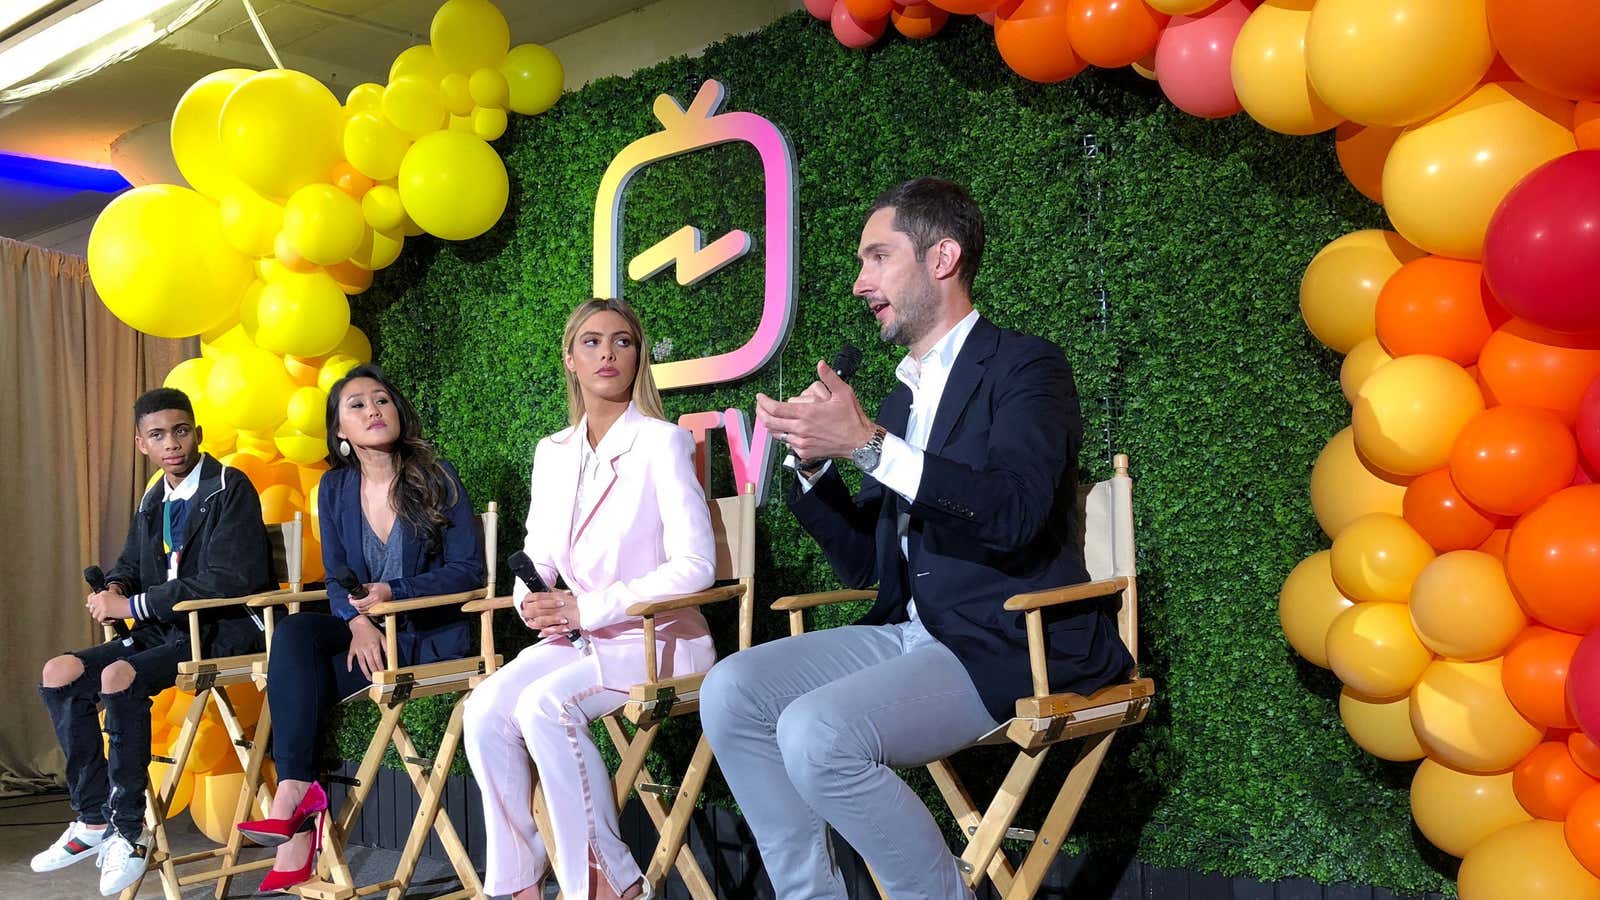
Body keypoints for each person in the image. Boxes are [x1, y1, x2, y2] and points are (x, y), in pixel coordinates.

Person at [699, 177, 1136, 899]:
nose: (858, 282)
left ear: (942, 258)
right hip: (909, 630)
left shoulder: (1027, 367)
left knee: (819, 734)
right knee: (731, 689)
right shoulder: (903, 394)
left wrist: (870, 445)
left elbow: (1015, 513)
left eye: (877, 257)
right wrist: (813, 468)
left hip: (1007, 638)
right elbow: (870, 562)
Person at [462, 297, 716, 900]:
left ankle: (607, 883)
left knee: (544, 706)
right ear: (570, 359)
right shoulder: (552, 453)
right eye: (593, 342)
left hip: (659, 642)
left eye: (623, 341)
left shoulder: (663, 443)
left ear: (638, 358)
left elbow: (697, 566)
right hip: (579, 641)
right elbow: (538, 555)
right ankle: (518, 883)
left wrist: (589, 608)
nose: (608, 353)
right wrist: (532, 601)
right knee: (485, 709)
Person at [237, 364, 484, 892]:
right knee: (296, 636)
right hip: (372, 641)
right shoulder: (335, 488)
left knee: (299, 676)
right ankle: (298, 792)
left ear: (397, 412)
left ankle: (300, 817)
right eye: (357, 405)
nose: (373, 410)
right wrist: (356, 622)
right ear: (340, 433)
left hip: (427, 639)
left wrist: (392, 597)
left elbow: (469, 571)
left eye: (381, 400)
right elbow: (339, 577)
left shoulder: (435, 476)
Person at [32, 387, 273, 896]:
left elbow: (233, 579)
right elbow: (131, 565)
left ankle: (128, 829)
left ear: (197, 434)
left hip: (223, 629)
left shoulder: (231, 487)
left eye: (180, 431)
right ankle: (93, 819)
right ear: (141, 443)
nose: (172, 444)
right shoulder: (154, 497)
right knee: (59, 672)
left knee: (118, 677)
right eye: (158, 435)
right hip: (166, 630)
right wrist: (116, 588)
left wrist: (133, 606)